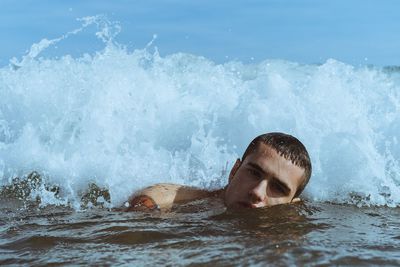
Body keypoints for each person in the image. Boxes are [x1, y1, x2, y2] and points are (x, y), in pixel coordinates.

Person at [124, 132, 312, 211]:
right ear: (234, 170)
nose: (257, 192)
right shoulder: (199, 202)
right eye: (254, 173)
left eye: (278, 188)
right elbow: (154, 196)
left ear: (292, 204)